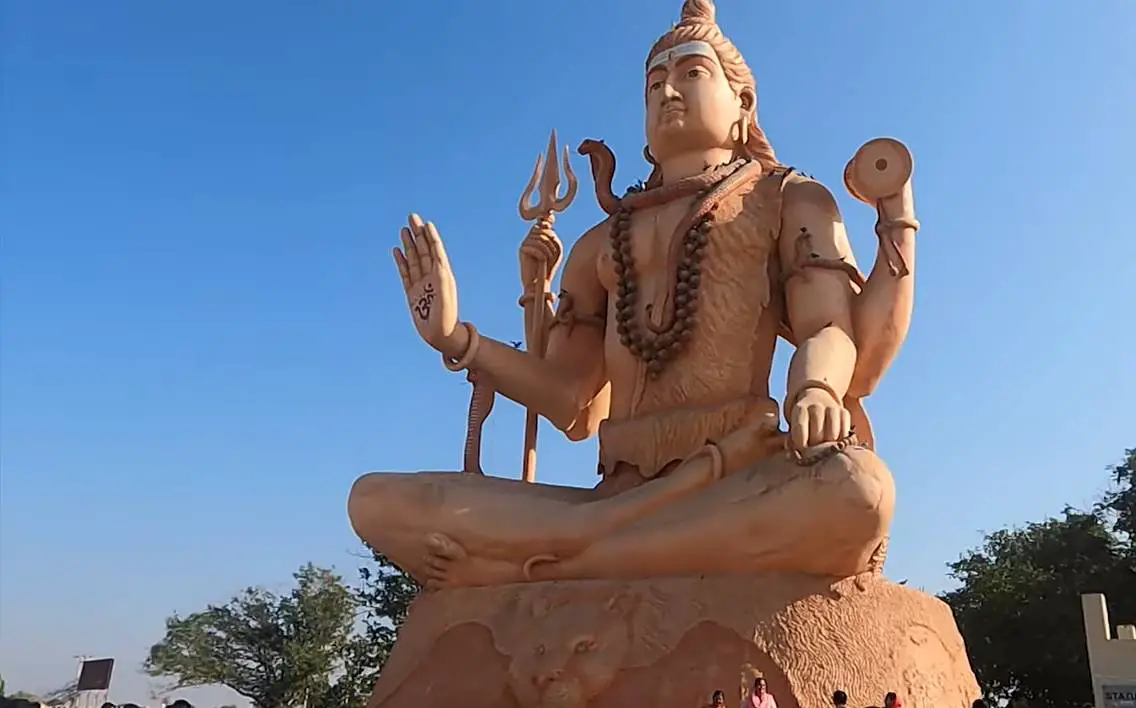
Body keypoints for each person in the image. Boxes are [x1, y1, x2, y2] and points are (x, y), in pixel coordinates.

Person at [350, 0, 919, 588]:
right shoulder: (599, 244)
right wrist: (457, 338)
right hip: (617, 492)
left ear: (742, 103)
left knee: (859, 490)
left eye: (690, 74)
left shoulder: (789, 199)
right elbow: (573, 406)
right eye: (654, 84)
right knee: (374, 501)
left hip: (737, 478)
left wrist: (817, 386)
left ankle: (563, 563)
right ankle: (607, 550)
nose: (668, 93)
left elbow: (830, 330)